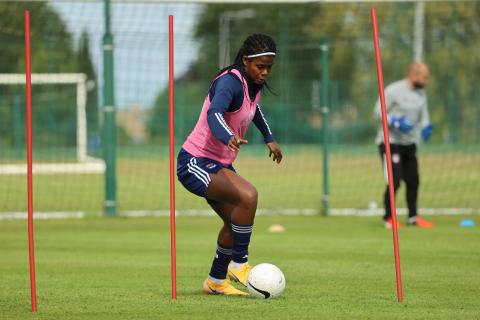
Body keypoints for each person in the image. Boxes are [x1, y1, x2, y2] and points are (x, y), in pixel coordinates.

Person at [177, 34, 283, 295]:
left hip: (219, 163)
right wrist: (229, 137)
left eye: (269, 67)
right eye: (261, 66)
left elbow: (253, 109)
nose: (265, 72)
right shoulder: (229, 82)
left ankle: (215, 281)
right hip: (195, 161)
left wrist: (269, 138)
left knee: (235, 220)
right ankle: (239, 264)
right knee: (249, 196)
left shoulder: (252, 83)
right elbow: (215, 113)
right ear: (246, 61)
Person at [374, 62, 434, 229]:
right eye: (425, 77)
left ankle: (413, 217)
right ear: (413, 74)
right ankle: (388, 218)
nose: (426, 81)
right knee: (394, 180)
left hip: (409, 143)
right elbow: (377, 111)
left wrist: (426, 126)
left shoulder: (421, 94)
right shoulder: (394, 90)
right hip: (390, 142)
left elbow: (424, 116)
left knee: (413, 180)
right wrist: (394, 121)